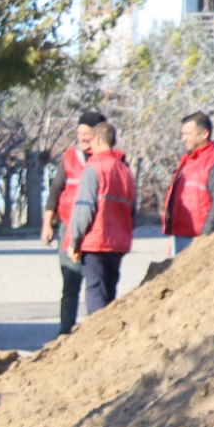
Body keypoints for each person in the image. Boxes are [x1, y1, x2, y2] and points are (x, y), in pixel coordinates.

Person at [66, 120, 138, 326]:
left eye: (90, 140)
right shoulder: (125, 171)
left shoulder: (94, 167)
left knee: (95, 290)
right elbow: (132, 210)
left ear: (97, 139)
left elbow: (84, 207)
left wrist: (75, 239)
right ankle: (110, 332)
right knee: (110, 290)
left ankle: (99, 332)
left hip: (96, 241)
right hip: (119, 243)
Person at [44, 109, 105, 333]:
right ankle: (65, 329)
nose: (82, 137)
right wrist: (47, 223)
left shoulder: (108, 160)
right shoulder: (70, 157)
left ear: (97, 135)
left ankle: (97, 329)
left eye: (87, 133)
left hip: (97, 231)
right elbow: (55, 190)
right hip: (69, 228)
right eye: (79, 132)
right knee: (70, 281)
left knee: (96, 283)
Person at [161, 109, 214, 257]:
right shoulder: (188, 161)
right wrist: (172, 238)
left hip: (199, 239)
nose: (184, 139)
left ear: (204, 134)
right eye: (182, 134)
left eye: (188, 134)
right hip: (181, 236)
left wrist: (205, 239)